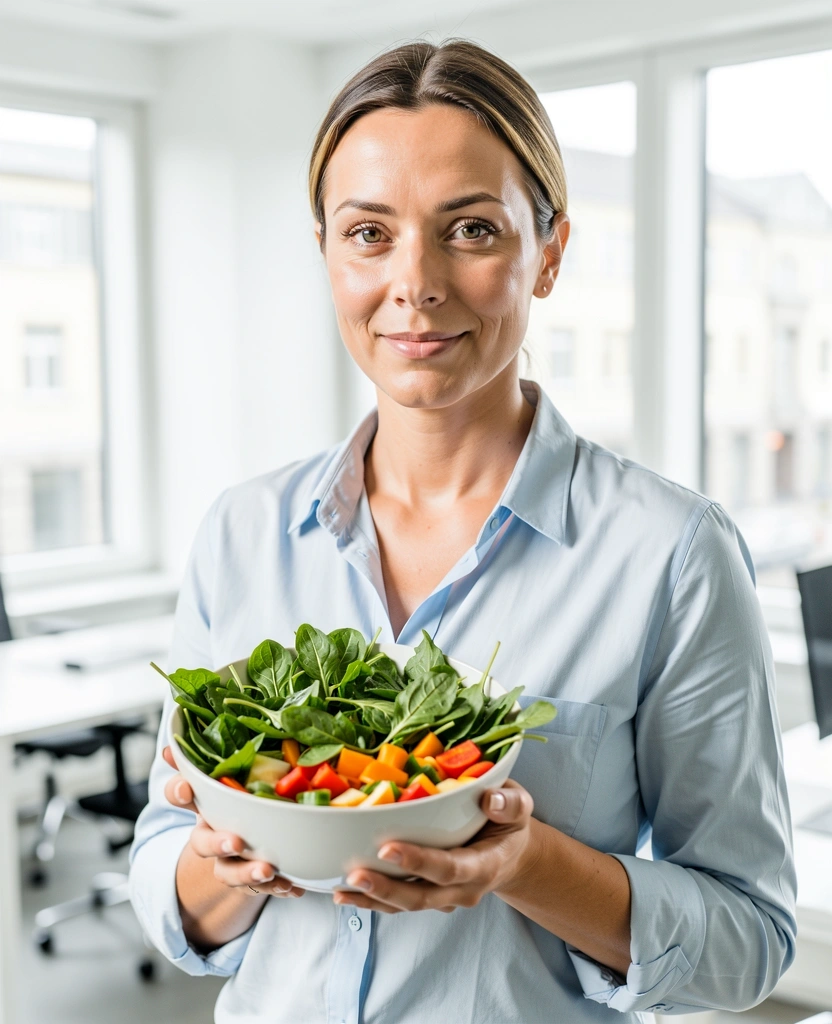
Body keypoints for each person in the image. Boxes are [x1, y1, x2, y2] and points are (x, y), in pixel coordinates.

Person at [129, 38, 796, 1024]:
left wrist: (525, 864)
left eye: (471, 229)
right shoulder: (242, 533)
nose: (416, 282)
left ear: (549, 253)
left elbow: (750, 941)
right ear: (327, 254)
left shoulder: (671, 554)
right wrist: (226, 860)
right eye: (369, 233)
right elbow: (164, 880)